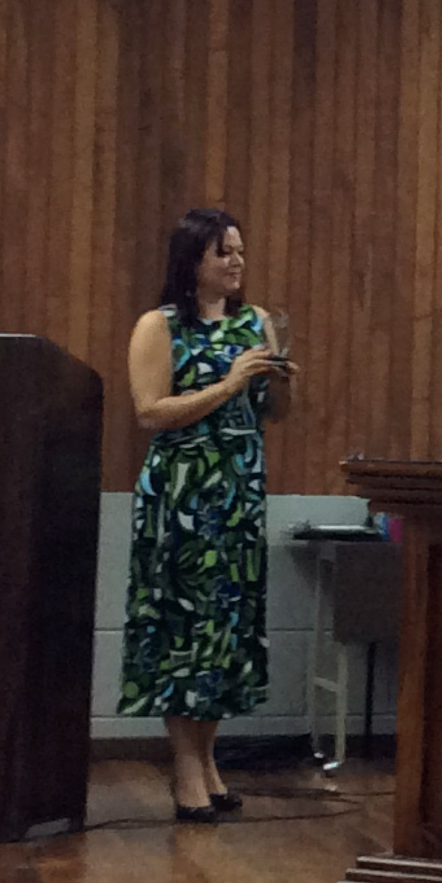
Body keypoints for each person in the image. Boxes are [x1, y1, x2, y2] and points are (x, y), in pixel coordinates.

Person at [121, 209, 294, 822]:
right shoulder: (159, 325)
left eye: (241, 251)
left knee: (225, 629)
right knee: (181, 628)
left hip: (238, 493)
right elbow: (150, 412)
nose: (237, 262)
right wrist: (229, 381)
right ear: (193, 259)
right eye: (224, 252)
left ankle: (210, 760)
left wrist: (276, 381)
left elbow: (275, 413)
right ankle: (184, 770)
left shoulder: (256, 322)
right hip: (180, 495)